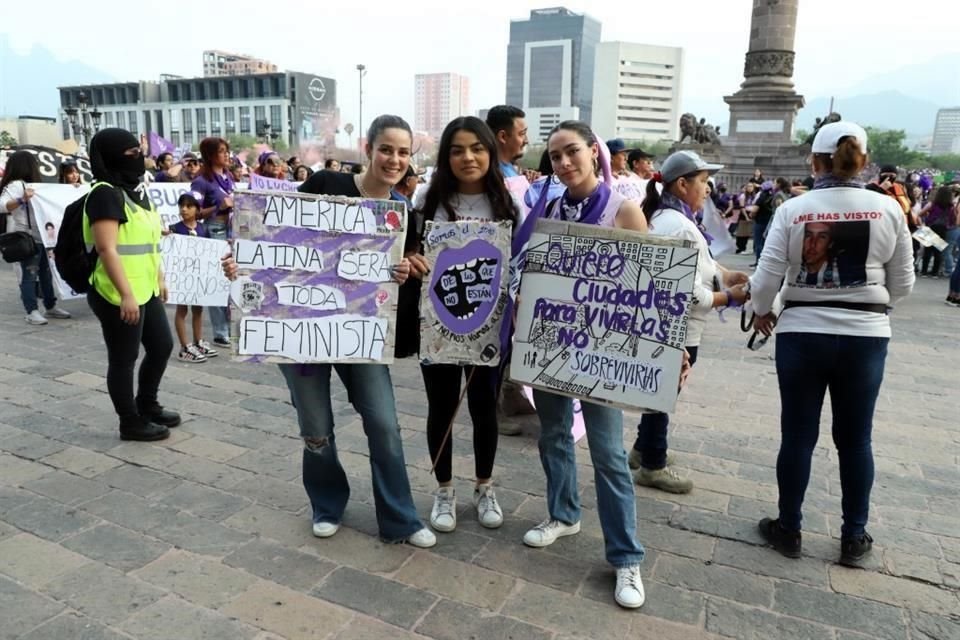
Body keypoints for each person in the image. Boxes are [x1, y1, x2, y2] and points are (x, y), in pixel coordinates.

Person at [223, 114, 436, 549]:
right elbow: (276, 234)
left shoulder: (403, 216)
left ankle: (400, 518)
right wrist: (241, 262)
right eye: (386, 149)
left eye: (403, 152)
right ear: (368, 150)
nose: (394, 159)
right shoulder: (325, 184)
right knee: (315, 426)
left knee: (384, 422)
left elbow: (398, 278)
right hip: (301, 330)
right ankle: (327, 504)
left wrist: (402, 272)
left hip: (360, 332)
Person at [733, 121, 914, 566]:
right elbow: (904, 283)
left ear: (814, 162)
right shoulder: (887, 208)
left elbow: (766, 276)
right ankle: (854, 536)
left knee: (797, 435)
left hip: (801, 333)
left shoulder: (796, 209)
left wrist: (762, 311)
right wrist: (866, 302)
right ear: (863, 161)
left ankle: (789, 528)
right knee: (856, 440)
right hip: (865, 336)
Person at [519, 120, 648, 609]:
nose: (564, 163)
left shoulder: (623, 209)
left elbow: (650, 290)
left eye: (572, 151)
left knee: (609, 454)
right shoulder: (549, 209)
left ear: (594, 153)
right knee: (552, 434)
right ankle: (563, 513)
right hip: (554, 344)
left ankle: (626, 556)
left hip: (604, 354)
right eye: (554, 157)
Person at [410, 116, 522, 534]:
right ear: (445, 156)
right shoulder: (426, 199)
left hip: (488, 329)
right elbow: (407, 251)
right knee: (440, 408)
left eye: (476, 148)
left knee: (482, 408)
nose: (467, 157)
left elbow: (525, 259)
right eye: (457, 150)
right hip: (437, 324)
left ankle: (484, 485)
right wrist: (414, 260)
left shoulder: (511, 202)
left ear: (491, 152)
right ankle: (444, 489)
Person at [628, 151, 749, 494]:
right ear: (682, 185)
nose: (708, 188)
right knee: (663, 395)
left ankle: (641, 450)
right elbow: (687, 291)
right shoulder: (679, 224)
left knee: (660, 393)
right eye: (703, 181)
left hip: (667, 325)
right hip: (679, 328)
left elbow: (699, 265)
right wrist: (729, 296)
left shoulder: (671, 218)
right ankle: (653, 465)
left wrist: (725, 275)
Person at [83, 128, 179, 442]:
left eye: (139, 151)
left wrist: (160, 277)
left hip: (145, 288)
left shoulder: (137, 191)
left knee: (162, 346)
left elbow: (148, 241)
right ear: (110, 156)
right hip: (116, 292)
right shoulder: (104, 193)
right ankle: (130, 421)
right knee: (123, 358)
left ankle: (147, 404)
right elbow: (107, 248)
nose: (138, 157)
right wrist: (125, 295)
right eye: (130, 153)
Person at [0, 151, 72, 325]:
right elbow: (2, 205)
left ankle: (50, 306)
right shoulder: (17, 185)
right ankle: (31, 310)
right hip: (28, 238)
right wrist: (22, 199)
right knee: (30, 274)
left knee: (46, 275)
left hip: (43, 238)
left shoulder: (34, 185)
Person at [191, 137, 234, 348]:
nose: (226, 155)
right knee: (218, 281)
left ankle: (230, 326)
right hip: (214, 230)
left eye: (227, 151)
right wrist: (219, 208)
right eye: (222, 151)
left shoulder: (228, 176)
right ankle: (220, 331)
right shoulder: (201, 181)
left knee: (232, 279)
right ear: (210, 155)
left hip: (231, 231)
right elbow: (193, 212)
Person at [170, 193, 218, 363]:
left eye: (188, 206)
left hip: (199, 276)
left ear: (197, 209)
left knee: (198, 309)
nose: (184, 209)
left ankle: (198, 341)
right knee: (182, 309)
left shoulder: (203, 229)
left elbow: (212, 251)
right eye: (181, 206)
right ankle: (185, 346)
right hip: (182, 276)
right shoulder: (174, 229)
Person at [919, 186, 957, 277]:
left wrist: (926, 218)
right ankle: (934, 273)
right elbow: (953, 220)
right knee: (938, 252)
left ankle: (924, 271)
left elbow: (920, 214)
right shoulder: (951, 207)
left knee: (927, 250)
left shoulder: (932, 204)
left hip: (930, 227)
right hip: (943, 229)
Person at [485, 105, 528, 178]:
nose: (526, 141)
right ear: (503, 137)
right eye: (522, 134)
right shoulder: (495, 176)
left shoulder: (512, 169)